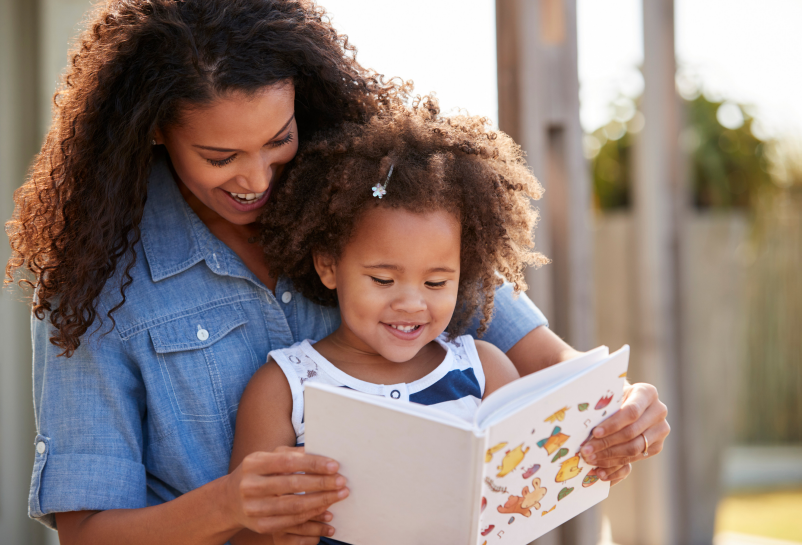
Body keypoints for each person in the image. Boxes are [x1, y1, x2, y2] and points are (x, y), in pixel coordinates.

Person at [4, 1, 669, 544]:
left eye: (279, 139)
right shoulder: (98, 279)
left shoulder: (373, 197)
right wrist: (231, 504)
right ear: (154, 131)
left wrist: (623, 411)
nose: (258, 179)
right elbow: (87, 531)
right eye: (219, 155)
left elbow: (554, 369)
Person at [230, 99, 545, 544]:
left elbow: (522, 503)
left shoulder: (484, 372)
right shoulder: (286, 388)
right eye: (383, 279)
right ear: (328, 265)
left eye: (436, 282)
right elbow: (245, 534)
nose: (412, 303)